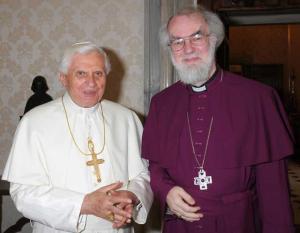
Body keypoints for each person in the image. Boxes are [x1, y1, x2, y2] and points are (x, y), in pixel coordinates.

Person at [142, 5, 295, 233]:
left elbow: (274, 189)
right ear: (170, 48)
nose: (188, 48)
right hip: (181, 225)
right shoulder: (162, 103)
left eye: (196, 37)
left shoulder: (258, 97)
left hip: (238, 223)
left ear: (214, 39)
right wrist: (167, 191)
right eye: (177, 41)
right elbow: (155, 165)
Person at [3, 41, 153, 233]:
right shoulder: (34, 122)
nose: (91, 82)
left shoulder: (126, 118)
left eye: (98, 73)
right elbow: (23, 193)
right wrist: (84, 204)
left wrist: (131, 196)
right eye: (81, 73)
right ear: (63, 78)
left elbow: (143, 175)